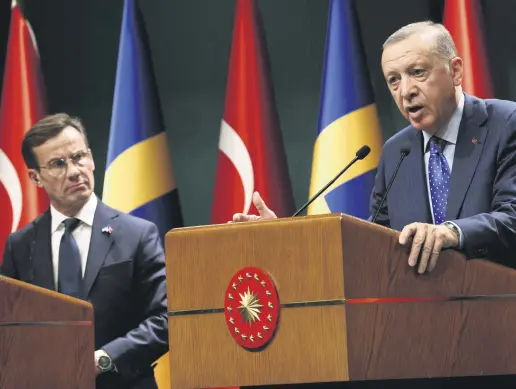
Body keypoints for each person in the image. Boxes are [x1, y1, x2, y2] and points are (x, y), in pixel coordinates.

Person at [232, 21, 516, 274]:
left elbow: (512, 216)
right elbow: (370, 242)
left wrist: (450, 232)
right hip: (424, 323)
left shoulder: (505, 125)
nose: (405, 91)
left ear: (455, 71)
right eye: (394, 80)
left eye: (417, 72)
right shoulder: (397, 152)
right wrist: (286, 238)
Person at [0, 113, 168, 389]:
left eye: (78, 157)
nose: (74, 171)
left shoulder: (138, 234)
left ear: (91, 158)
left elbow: (165, 320)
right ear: (35, 177)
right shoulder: (20, 246)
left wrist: (103, 360)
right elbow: (9, 330)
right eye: (57, 164)